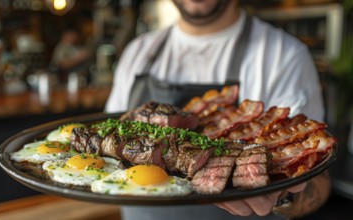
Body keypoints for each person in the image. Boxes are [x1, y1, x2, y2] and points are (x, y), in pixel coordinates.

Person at [105, 0, 331, 219]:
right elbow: (109, 147)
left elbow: (319, 181)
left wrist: (282, 196)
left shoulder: (283, 55)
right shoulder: (138, 53)